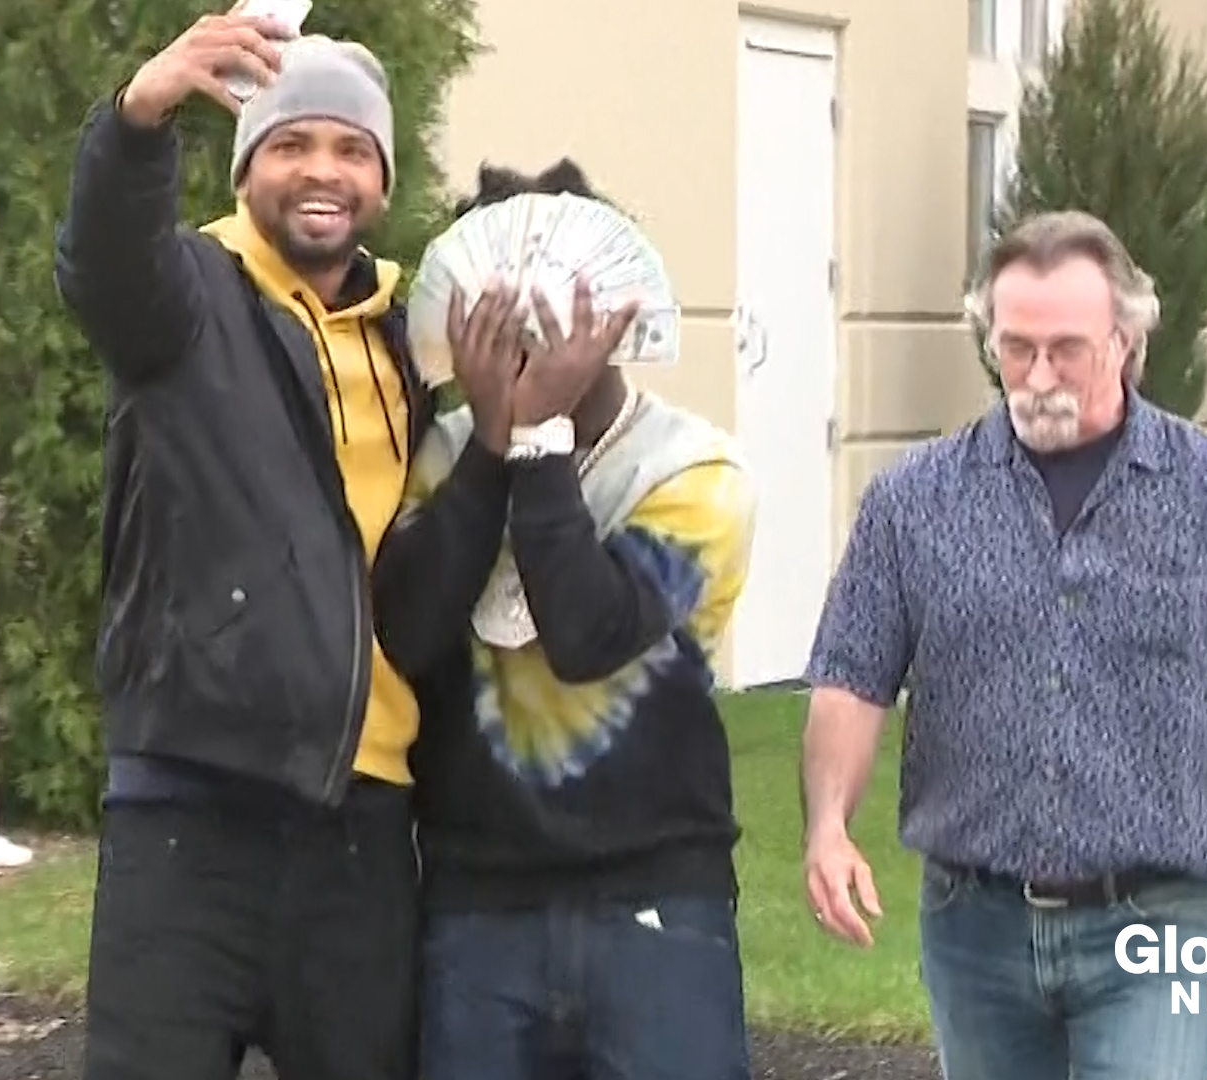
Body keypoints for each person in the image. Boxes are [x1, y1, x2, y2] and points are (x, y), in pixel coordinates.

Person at [797, 210, 1207, 1079]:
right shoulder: (913, 504)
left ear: (1126, 340)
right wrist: (828, 826)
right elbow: (850, 679)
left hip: (1155, 923)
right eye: (1015, 348)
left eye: (1065, 349)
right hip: (972, 926)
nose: (1037, 376)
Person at [54, 13, 431, 1080]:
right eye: (291, 143)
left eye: (351, 148)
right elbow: (102, 262)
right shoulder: (187, 297)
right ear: (246, 168)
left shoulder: (409, 341)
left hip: (363, 827)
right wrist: (139, 117)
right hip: (191, 813)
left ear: (381, 181)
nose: (323, 171)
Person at [371, 160, 760, 1080]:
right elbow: (410, 631)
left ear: (616, 308)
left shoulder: (699, 474)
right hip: (477, 903)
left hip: (656, 901)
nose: (532, 336)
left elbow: (589, 634)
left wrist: (539, 440)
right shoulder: (440, 460)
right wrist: (493, 444)